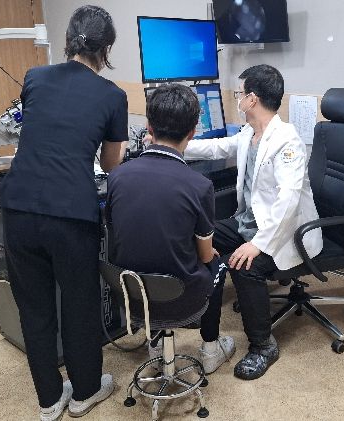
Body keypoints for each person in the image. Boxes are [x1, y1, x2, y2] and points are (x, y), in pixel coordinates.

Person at [0, 6, 125, 420]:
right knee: (78, 304)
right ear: (106, 49)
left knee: (34, 308)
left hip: (18, 207)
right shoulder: (113, 95)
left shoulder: (35, 77)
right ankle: (85, 391)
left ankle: (50, 400)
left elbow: (34, 127)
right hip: (71, 213)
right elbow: (111, 165)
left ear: (69, 40)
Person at [183, 64, 323, 380]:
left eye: (240, 92)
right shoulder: (250, 133)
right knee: (201, 236)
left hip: (285, 232)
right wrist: (173, 145)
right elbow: (217, 147)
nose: (238, 98)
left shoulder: (287, 140)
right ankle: (203, 321)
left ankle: (263, 346)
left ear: (252, 99)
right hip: (249, 221)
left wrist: (257, 244)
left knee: (244, 264)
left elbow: (288, 202)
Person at [106, 84, 235, 374]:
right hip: (181, 300)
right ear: (193, 132)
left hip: (131, 295)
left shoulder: (117, 176)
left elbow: (119, 233)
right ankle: (211, 350)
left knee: (144, 251)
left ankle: (155, 346)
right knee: (217, 263)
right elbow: (205, 256)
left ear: (149, 128)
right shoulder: (199, 186)